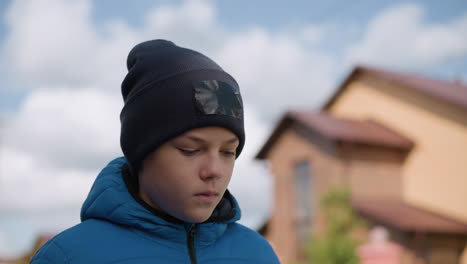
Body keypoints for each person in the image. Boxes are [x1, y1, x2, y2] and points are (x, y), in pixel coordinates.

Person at [31, 39, 280, 264]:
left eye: (228, 152)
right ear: (141, 152)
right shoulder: (67, 257)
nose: (214, 171)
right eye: (190, 149)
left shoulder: (258, 254)